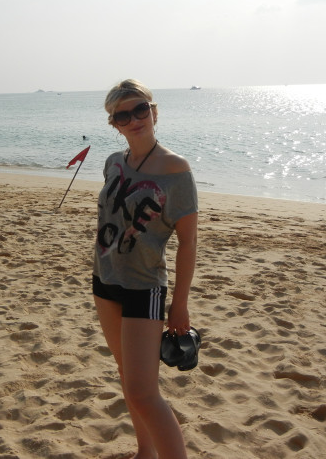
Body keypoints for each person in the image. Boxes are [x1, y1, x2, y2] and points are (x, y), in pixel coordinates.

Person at [93, 79, 198, 459]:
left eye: (140, 109)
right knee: (127, 374)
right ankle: (145, 452)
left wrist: (179, 305)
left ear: (153, 112)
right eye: (122, 115)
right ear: (114, 124)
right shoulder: (113, 163)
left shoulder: (175, 169)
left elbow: (188, 242)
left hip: (144, 287)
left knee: (143, 392)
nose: (134, 119)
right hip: (104, 280)